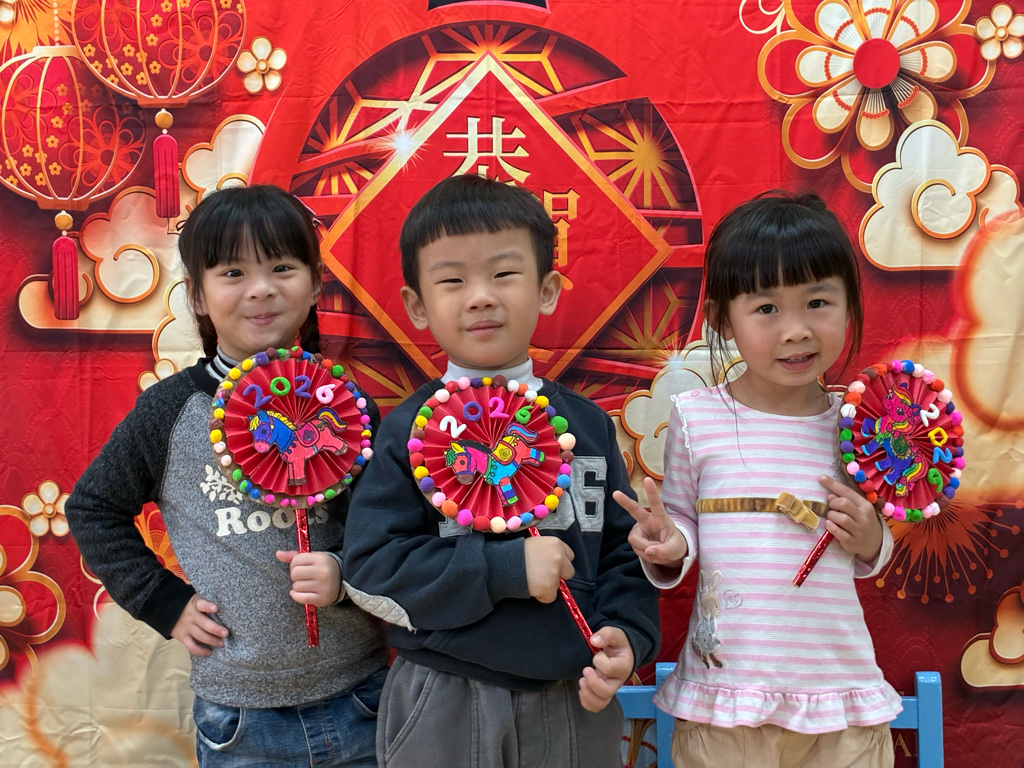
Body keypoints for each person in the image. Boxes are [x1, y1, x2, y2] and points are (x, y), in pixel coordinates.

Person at [342, 174, 660, 768]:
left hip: (575, 697)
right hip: (444, 696)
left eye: (504, 273)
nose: (480, 297)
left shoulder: (587, 427)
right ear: (417, 306)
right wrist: (506, 568)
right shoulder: (408, 431)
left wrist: (628, 634)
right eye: (452, 280)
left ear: (547, 290)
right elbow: (371, 571)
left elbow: (624, 553)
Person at [65, 184, 388, 768]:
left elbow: (385, 525)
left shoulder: (348, 405)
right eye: (233, 272)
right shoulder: (170, 411)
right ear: (198, 295)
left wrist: (343, 573)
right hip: (238, 715)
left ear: (316, 283)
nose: (261, 289)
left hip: (362, 694)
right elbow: (92, 507)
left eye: (282, 267)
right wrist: (163, 601)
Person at [614, 191, 902, 768]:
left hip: (837, 697)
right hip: (727, 701)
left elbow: (875, 547)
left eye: (817, 302)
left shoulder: (862, 424)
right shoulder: (697, 416)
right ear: (722, 318)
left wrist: (872, 538)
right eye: (767, 308)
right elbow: (684, 523)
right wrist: (670, 546)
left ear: (849, 305)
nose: (796, 331)